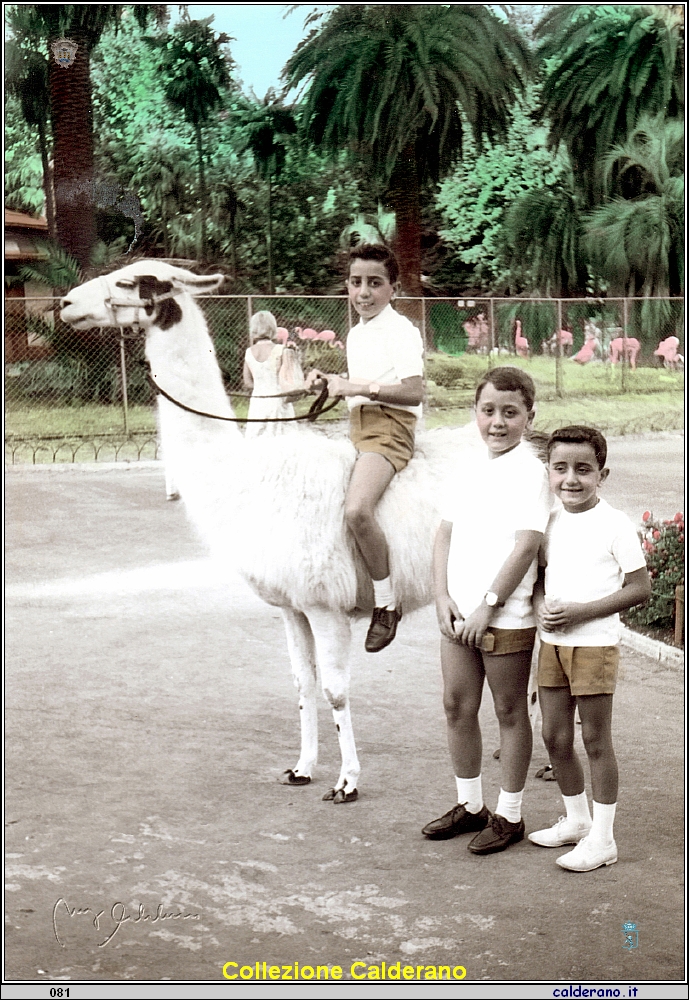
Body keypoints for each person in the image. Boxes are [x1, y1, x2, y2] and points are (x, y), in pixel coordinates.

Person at [423, 367, 552, 854]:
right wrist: (441, 595)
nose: (497, 422)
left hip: (506, 615)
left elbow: (525, 547)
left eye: (510, 413)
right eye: (488, 411)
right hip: (458, 615)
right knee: (457, 705)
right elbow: (444, 534)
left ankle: (510, 815)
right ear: (475, 413)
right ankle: (470, 805)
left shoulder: (532, 473)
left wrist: (489, 606)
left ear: (529, 416)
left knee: (508, 710)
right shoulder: (466, 467)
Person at [529, 426, 650, 871]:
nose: (571, 479)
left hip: (595, 645)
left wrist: (582, 612)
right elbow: (540, 578)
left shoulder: (615, 524)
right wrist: (541, 606)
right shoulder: (551, 521)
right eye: (560, 469)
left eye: (583, 469)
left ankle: (604, 839)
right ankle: (577, 820)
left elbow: (640, 588)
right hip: (553, 644)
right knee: (554, 737)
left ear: (603, 474)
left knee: (595, 739)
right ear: (549, 471)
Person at [306, 244, 424, 652]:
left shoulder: (401, 331)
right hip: (359, 428)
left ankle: (388, 605)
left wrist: (355, 386)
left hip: (391, 429)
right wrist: (332, 382)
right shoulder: (358, 332)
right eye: (356, 283)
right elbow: (363, 386)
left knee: (357, 510)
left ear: (393, 288)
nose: (364, 292)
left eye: (375, 283)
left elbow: (412, 391)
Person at [243, 311, 301, 440]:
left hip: (258, 402)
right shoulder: (280, 350)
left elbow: (247, 382)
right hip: (277, 400)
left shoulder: (249, 352)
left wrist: (259, 387)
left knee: (257, 439)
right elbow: (287, 379)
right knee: (283, 438)